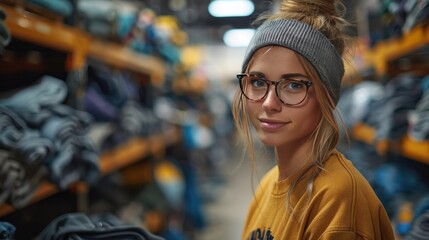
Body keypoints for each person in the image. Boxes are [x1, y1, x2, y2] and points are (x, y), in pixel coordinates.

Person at [231, 0, 395, 239]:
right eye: (257, 82)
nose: (269, 103)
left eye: (294, 85)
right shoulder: (269, 185)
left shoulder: (337, 197)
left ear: (326, 96)